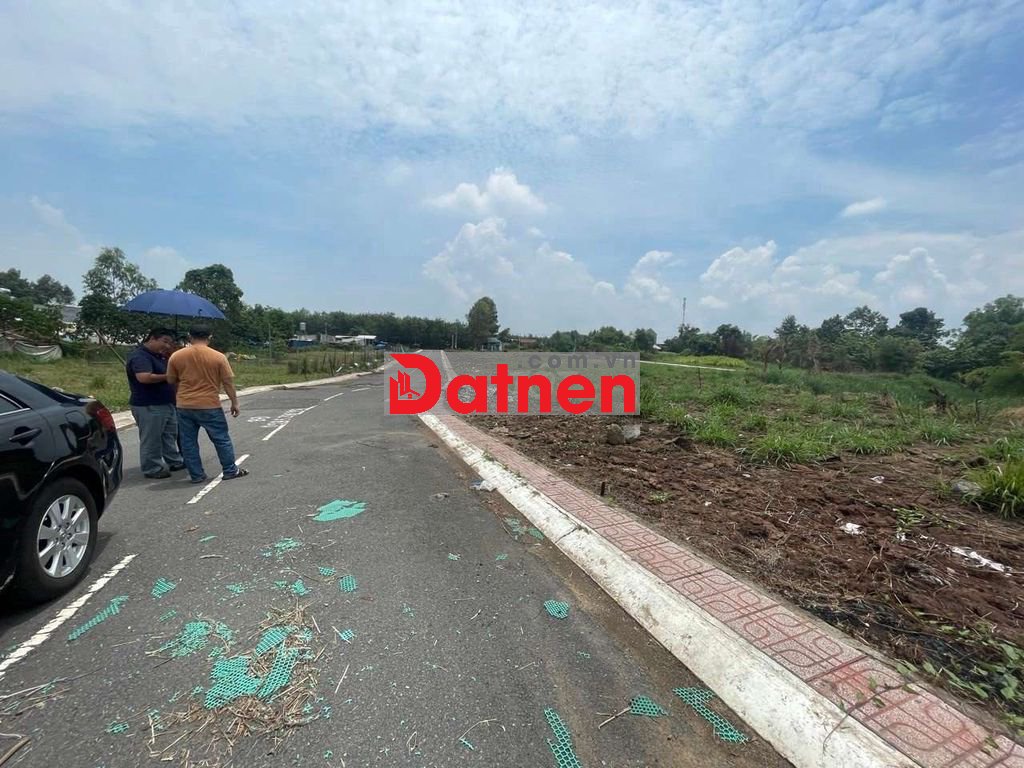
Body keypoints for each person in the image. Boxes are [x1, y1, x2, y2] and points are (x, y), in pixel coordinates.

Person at [167, 326, 250, 484]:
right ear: (209, 337)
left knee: (188, 442)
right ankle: (230, 470)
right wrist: (234, 403)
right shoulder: (218, 357)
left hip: (184, 405)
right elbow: (227, 382)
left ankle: (196, 475)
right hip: (209, 404)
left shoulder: (176, 356)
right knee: (221, 439)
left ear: (190, 336)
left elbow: (171, 380)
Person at [126, 328, 185, 479]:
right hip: (149, 404)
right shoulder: (140, 356)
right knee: (152, 438)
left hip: (166, 402)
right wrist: (168, 376)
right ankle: (152, 467)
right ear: (152, 338)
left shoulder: (160, 356)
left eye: (170, 343)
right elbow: (144, 377)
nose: (167, 346)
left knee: (169, 435)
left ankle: (174, 460)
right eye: (164, 342)